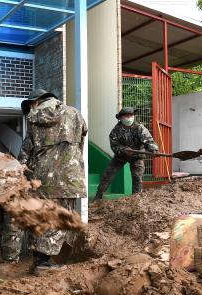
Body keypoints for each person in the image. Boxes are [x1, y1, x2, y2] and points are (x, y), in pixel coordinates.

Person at [16, 88, 88, 274]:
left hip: (41, 178)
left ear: (37, 101)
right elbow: (81, 138)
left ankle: (39, 260)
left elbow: (25, 151)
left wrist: (22, 170)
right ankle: (43, 263)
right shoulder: (74, 114)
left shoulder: (33, 119)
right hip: (68, 176)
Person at [94, 107, 158, 200]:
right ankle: (98, 196)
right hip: (121, 156)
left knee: (137, 176)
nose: (129, 118)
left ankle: (136, 199)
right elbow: (114, 146)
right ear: (121, 118)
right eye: (126, 116)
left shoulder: (139, 128)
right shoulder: (115, 131)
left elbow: (148, 141)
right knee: (108, 174)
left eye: (131, 115)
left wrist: (153, 149)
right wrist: (123, 150)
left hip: (137, 155)